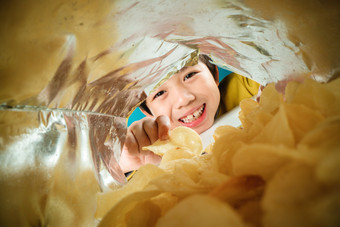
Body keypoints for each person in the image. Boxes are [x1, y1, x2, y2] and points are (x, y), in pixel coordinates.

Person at [119, 55, 260, 174]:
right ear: (148, 113)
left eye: (190, 75)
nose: (184, 99)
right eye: (159, 93)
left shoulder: (250, 84)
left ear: (214, 75)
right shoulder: (150, 151)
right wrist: (124, 165)